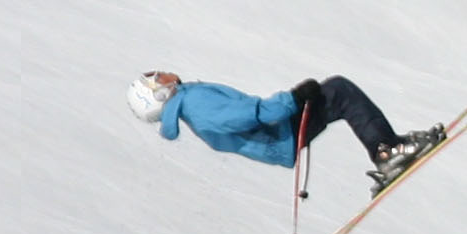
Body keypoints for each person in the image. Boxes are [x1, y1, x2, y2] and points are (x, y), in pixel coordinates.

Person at [128, 71, 443, 192]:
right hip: (279, 133)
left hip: (276, 137)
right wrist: (293, 99)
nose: (162, 73)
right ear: (158, 95)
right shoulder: (195, 104)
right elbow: (247, 116)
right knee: (340, 92)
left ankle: (387, 149)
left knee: (337, 92)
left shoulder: (189, 107)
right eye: (155, 79)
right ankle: (387, 152)